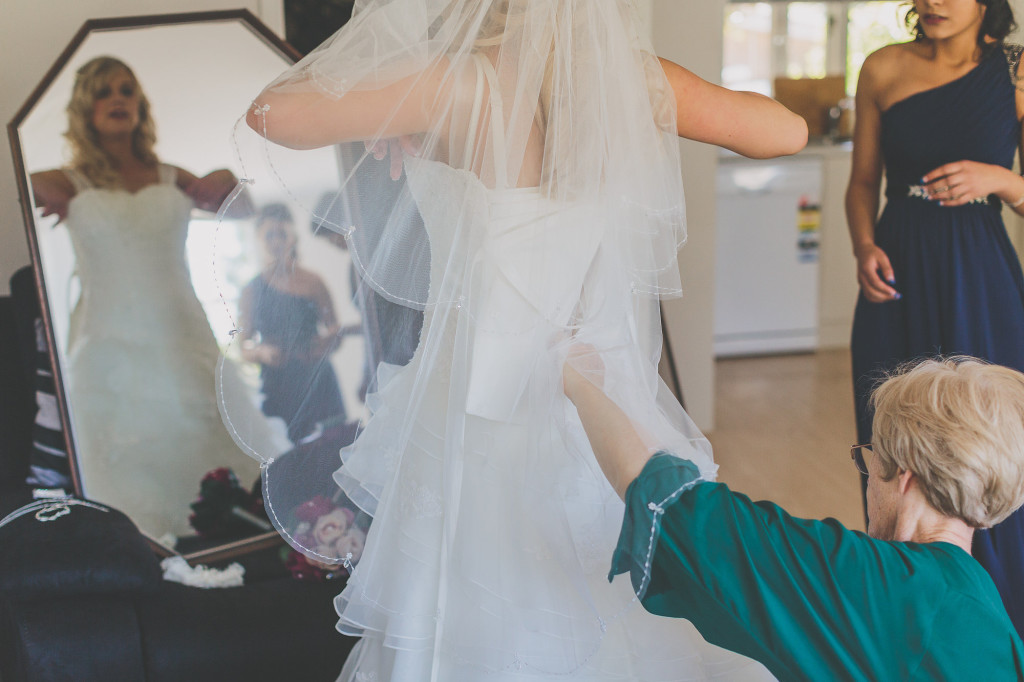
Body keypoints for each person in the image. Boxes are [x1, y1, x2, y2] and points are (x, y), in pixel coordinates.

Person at [230, 1, 806, 679]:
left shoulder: (454, 82)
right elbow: (787, 133)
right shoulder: (630, 79)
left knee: (479, 609)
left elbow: (272, 114)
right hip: (602, 394)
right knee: (617, 583)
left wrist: (388, 94)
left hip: (478, 403)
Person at [564, 350, 1024, 679]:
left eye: (870, 463)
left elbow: (675, 506)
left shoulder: (870, 582)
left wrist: (577, 380)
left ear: (904, 478)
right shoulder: (986, 605)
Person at [29, 56, 274, 538]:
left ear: (140, 105)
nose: (117, 99)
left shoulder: (169, 176)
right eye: (104, 92)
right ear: (85, 109)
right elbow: (15, 184)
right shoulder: (69, 181)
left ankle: (223, 548)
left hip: (182, 334)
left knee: (205, 448)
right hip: (107, 345)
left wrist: (226, 175)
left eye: (126, 90)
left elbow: (245, 209)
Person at [846, 0, 1024, 631]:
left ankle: (997, 615)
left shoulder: (1018, 71)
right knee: (890, 439)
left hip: (981, 275)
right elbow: (862, 182)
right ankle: (901, 611)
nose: (935, 2)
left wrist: (1000, 180)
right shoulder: (882, 69)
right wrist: (864, 245)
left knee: (987, 439)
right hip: (897, 277)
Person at [239, 203, 348, 443]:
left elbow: (334, 330)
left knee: (332, 449)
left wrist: (326, 342)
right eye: (270, 235)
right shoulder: (251, 290)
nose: (276, 241)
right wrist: (263, 352)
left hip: (317, 381)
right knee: (287, 458)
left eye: (281, 234)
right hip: (277, 385)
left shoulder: (313, 281)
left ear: (292, 237)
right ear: (259, 239)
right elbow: (243, 346)